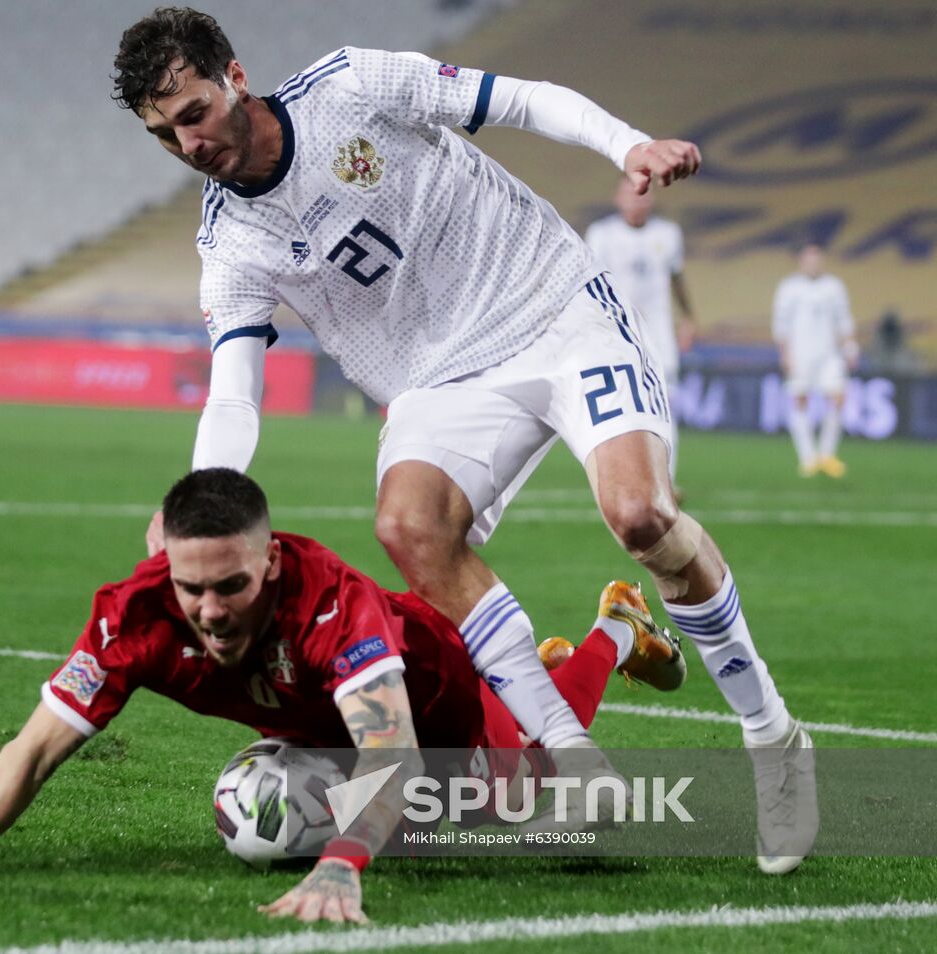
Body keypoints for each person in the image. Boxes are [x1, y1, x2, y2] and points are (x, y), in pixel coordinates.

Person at [112, 8, 814, 873]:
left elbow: (520, 98)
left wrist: (624, 143)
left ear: (236, 77)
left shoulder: (352, 87)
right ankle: (569, 754)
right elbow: (234, 395)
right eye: (163, 135)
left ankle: (771, 734)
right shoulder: (230, 245)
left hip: (552, 308)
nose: (188, 145)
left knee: (641, 516)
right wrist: (197, 508)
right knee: (410, 528)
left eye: (193, 115)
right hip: (437, 383)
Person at [0, 468, 686, 923]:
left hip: (430, 697)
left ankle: (615, 629)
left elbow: (392, 751)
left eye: (232, 586)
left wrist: (341, 865)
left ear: (273, 564)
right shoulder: (134, 618)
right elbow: (35, 747)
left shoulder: (332, 601)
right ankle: (570, 655)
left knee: (536, 800)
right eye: (192, 588)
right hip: (319, 720)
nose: (210, 611)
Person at [584, 176, 697, 483]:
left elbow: (676, 278)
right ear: (618, 198)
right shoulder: (602, 234)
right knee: (618, 409)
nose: (637, 201)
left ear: (651, 199)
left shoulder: (668, 234)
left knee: (664, 405)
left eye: (642, 195)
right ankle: (622, 480)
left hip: (658, 335)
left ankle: (666, 482)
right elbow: (589, 285)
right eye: (630, 194)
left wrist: (688, 317)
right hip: (615, 334)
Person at [772, 244, 858, 478]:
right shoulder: (789, 287)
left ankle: (827, 455)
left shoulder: (834, 287)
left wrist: (850, 348)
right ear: (801, 262)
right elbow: (781, 325)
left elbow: (844, 320)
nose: (813, 265)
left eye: (816, 260)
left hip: (829, 354)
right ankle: (808, 458)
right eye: (809, 261)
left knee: (838, 397)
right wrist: (785, 353)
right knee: (800, 400)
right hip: (800, 354)